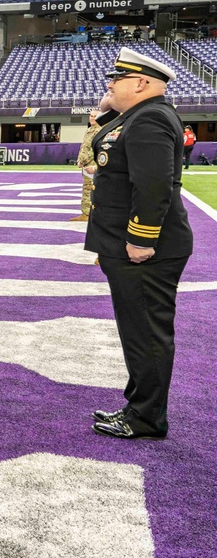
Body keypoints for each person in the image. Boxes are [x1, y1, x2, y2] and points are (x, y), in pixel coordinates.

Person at [86, 49, 193, 440]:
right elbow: (110, 146)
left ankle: (147, 418)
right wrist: (106, 109)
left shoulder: (149, 118)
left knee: (146, 333)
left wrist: (139, 240)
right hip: (126, 245)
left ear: (142, 83)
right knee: (137, 330)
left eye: (117, 79)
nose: (110, 84)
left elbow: (152, 187)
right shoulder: (140, 115)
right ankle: (138, 404)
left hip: (146, 249)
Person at [72, 104, 103, 222]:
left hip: (92, 164)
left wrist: (83, 160)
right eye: (91, 116)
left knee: (90, 188)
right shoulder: (89, 130)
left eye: (95, 116)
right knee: (87, 188)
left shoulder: (99, 131)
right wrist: (79, 159)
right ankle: (86, 212)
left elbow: (94, 149)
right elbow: (84, 147)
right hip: (86, 165)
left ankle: (88, 214)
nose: (92, 118)